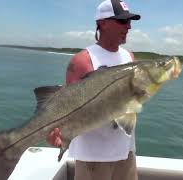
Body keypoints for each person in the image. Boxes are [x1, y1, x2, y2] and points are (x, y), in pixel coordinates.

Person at [47, 0, 141, 179]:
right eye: (122, 21)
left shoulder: (130, 57)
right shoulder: (82, 60)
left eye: (130, 21)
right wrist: (56, 133)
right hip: (93, 159)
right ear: (102, 23)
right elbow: (65, 110)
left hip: (126, 152)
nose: (128, 26)